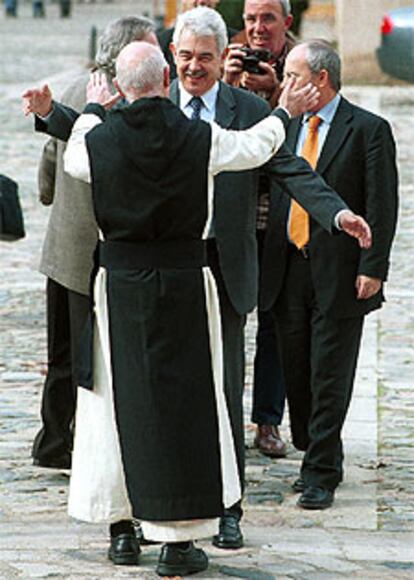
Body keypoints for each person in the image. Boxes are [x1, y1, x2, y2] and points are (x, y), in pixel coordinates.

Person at [23, 40, 321, 577]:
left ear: (121, 88)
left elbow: (74, 158)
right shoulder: (198, 135)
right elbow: (255, 147)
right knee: (189, 410)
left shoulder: (99, 136)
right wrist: (285, 111)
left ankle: (122, 532)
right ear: (165, 80)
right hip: (186, 284)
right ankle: (179, 543)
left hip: (119, 288)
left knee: (115, 407)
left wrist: (93, 108)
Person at [168, 6, 371, 549]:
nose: (195, 68)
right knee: (169, 391)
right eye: (185, 57)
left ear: (219, 57)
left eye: (205, 58)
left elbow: (287, 166)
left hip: (227, 267)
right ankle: (165, 502)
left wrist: (335, 213)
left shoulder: (246, 108)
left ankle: (227, 506)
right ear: (173, 57)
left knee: (227, 388)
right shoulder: (155, 105)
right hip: (165, 270)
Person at [29, 15, 158, 566]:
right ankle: (79, 448)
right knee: (90, 359)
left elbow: (46, 179)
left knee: (65, 355)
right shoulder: (125, 102)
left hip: (66, 247)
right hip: (95, 251)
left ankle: (55, 444)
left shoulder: (75, 91)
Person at [261, 40, 398, 510]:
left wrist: (373, 267)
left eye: (294, 76)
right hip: (287, 266)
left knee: (330, 375)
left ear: (321, 79)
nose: (286, 86)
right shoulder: (284, 126)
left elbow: (382, 203)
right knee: (297, 371)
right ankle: (315, 446)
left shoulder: (368, 130)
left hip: (340, 271)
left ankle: (321, 471)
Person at [224, 0, 295, 463]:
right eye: (250, 19)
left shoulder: (303, 64)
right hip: (232, 214)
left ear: (287, 22)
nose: (257, 29)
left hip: (280, 218)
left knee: (275, 321)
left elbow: (310, 140)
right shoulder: (223, 58)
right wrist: (228, 86)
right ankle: (223, 416)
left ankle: (267, 421)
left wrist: (275, 99)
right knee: (226, 319)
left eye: (267, 18)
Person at [157, 0, 239, 81]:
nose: (202, 1)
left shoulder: (238, 42)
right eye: (186, 56)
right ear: (174, 52)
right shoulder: (159, 44)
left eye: (205, 57)